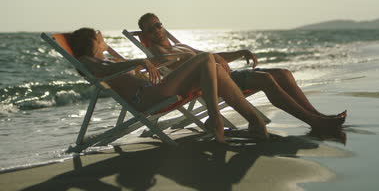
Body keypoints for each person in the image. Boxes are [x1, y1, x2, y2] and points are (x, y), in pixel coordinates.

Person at [137, 13, 346, 131]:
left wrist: (238, 52)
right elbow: (171, 63)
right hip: (216, 83)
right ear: (145, 36)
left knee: (283, 73)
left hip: (226, 74)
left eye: (158, 25)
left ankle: (317, 115)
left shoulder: (179, 45)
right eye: (150, 29)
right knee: (265, 79)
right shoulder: (157, 52)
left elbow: (211, 55)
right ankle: (313, 122)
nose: (157, 30)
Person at [69, 27, 270, 143]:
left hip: (156, 88)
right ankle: (216, 119)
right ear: (91, 42)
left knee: (214, 69)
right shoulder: (88, 60)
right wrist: (137, 62)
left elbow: (138, 69)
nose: (103, 39)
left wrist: (171, 58)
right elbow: (103, 70)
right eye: (99, 37)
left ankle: (256, 124)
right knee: (206, 58)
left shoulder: (109, 60)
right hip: (147, 97)